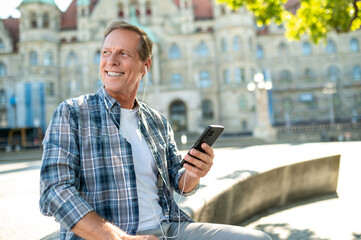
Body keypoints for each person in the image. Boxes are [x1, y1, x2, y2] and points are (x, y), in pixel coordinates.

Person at [39, 20, 271, 240]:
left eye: (123, 53)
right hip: (110, 236)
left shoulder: (157, 121)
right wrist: (120, 238)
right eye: (106, 52)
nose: (111, 61)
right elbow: (54, 191)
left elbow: (180, 183)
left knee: (259, 238)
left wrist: (194, 172)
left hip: (170, 229)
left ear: (145, 65)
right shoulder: (72, 112)